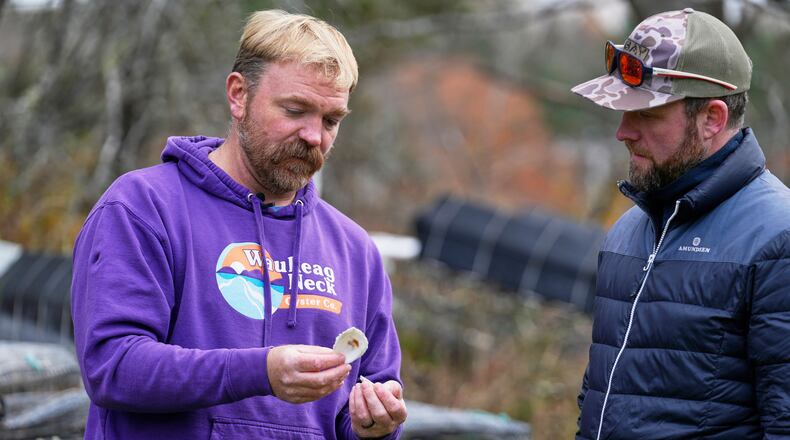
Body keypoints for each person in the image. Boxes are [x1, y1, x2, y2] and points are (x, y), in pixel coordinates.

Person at [71, 10, 407, 440]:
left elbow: (355, 408)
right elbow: (113, 366)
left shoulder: (354, 251)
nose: (313, 136)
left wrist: (373, 426)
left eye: (330, 120)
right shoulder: (143, 208)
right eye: (295, 110)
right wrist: (260, 371)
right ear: (238, 94)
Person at [571, 8, 790, 440]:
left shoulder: (778, 239)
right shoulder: (629, 230)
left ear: (712, 119)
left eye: (646, 115)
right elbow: (598, 403)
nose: (623, 132)